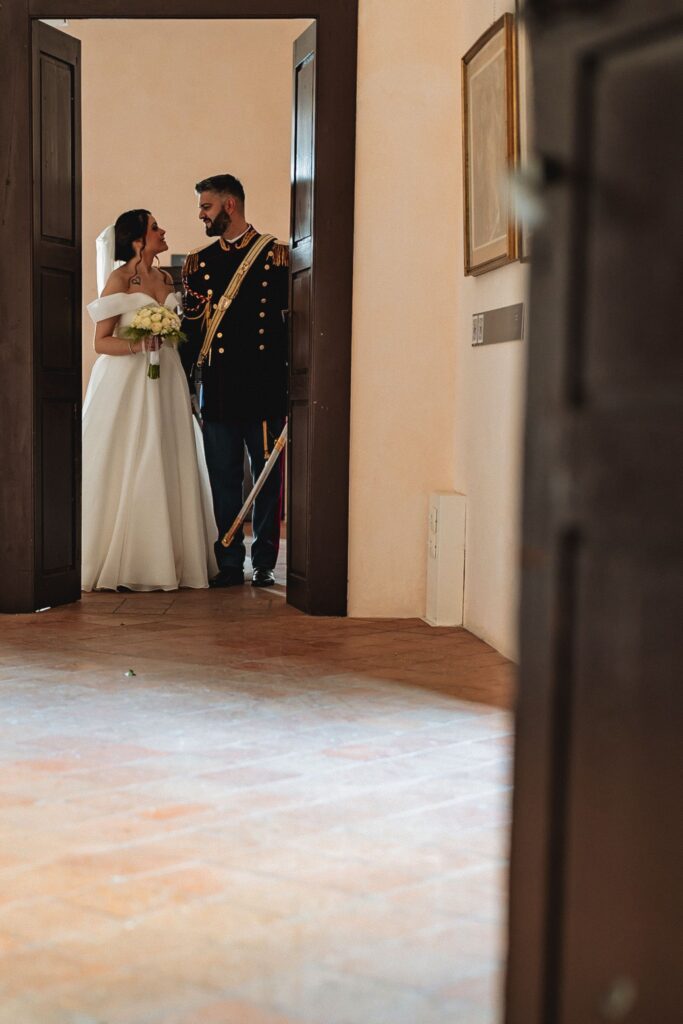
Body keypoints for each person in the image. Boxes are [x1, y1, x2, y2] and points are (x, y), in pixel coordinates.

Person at [82, 209, 218, 592]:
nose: (163, 231)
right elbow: (100, 342)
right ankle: (129, 559)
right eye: (155, 227)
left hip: (167, 377)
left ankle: (171, 555)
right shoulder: (120, 279)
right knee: (131, 454)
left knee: (168, 453)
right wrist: (139, 345)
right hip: (128, 380)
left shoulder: (166, 278)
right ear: (138, 239)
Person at [181, 174, 289, 589]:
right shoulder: (200, 262)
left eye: (206, 207)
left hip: (263, 388)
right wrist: (183, 384)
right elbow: (192, 333)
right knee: (223, 478)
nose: (201, 215)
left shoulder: (276, 256)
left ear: (229, 205)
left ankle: (263, 561)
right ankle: (228, 560)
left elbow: (292, 325)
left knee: (266, 480)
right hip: (220, 389)